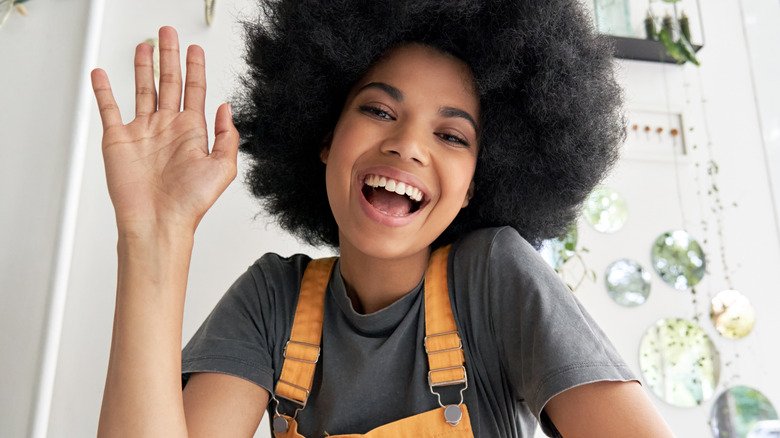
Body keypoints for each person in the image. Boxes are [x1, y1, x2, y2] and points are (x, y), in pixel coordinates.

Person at [91, 0, 675, 436]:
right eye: (378, 109)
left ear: (473, 187)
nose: (408, 146)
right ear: (325, 137)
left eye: (451, 135)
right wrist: (154, 231)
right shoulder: (272, 302)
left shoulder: (493, 278)